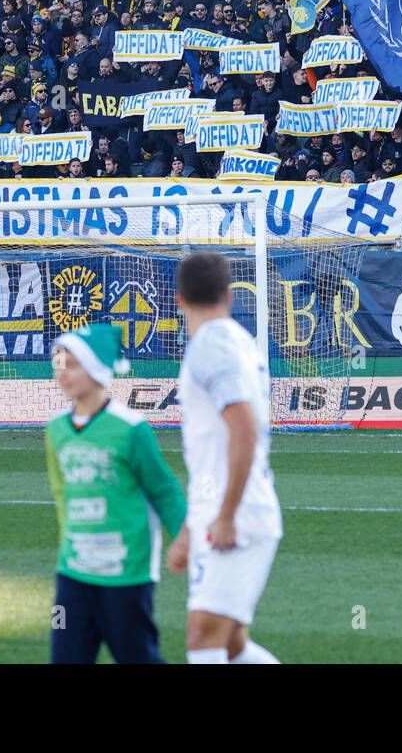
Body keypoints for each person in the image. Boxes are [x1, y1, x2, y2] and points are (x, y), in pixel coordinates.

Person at [45, 324, 186, 664]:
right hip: (74, 572)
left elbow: (165, 490)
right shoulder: (55, 431)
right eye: (58, 363)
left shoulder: (131, 428)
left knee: (138, 657)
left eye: (72, 363)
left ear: (96, 367)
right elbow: (62, 494)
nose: (62, 372)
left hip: (126, 572)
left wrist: (184, 537)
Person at [166, 251, 282, 664]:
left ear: (178, 299)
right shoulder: (236, 341)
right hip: (222, 510)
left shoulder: (211, 346)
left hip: (238, 513)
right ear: (231, 295)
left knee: (203, 637)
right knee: (231, 644)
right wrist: (189, 528)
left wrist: (227, 514)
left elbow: (245, 429)